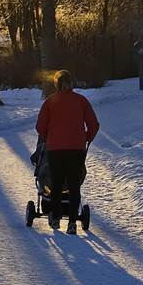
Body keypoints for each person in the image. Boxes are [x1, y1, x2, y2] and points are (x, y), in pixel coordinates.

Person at [35, 81, 100, 226]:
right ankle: (72, 222)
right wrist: (86, 138)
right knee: (74, 185)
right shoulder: (81, 101)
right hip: (76, 148)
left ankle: (56, 218)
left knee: (56, 182)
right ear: (71, 84)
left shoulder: (50, 101)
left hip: (55, 148)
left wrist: (48, 138)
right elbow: (94, 124)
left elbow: (40, 126)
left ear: (57, 84)